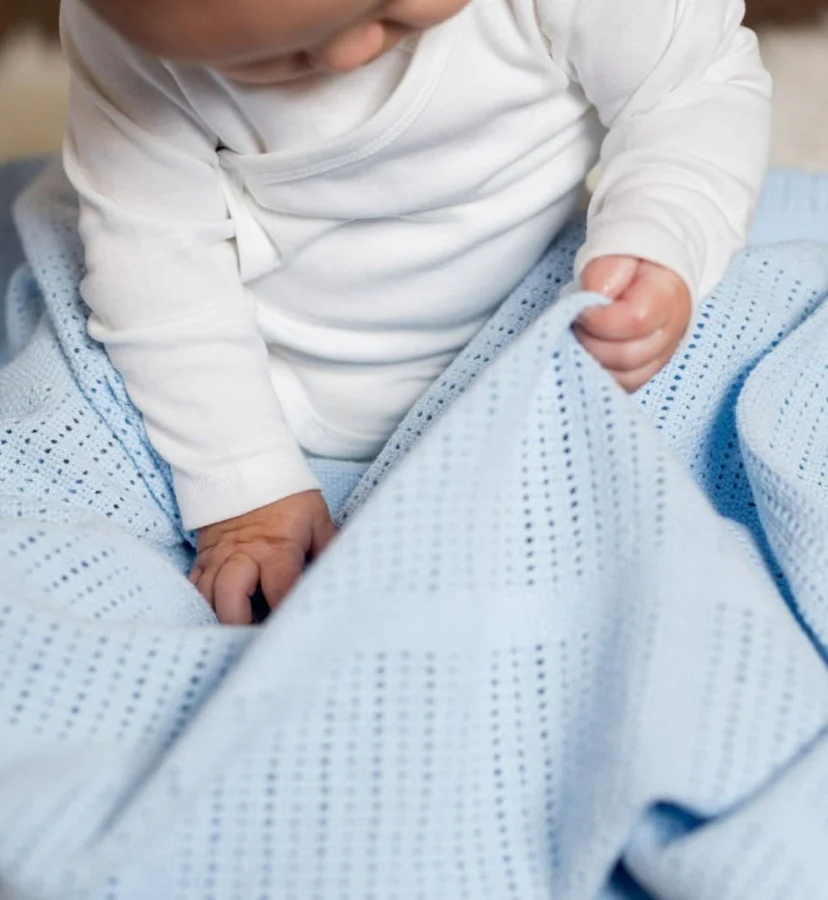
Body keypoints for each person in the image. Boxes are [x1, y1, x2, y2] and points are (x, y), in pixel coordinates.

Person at [61, 0, 771, 623]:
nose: (347, 55)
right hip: (246, 367)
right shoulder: (127, 33)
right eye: (263, 58)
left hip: (549, 315)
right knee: (61, 445)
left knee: (749, 386)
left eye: (392, 5)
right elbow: (154, 262)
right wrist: (241, 486)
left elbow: (690, 92)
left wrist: (661, 235)